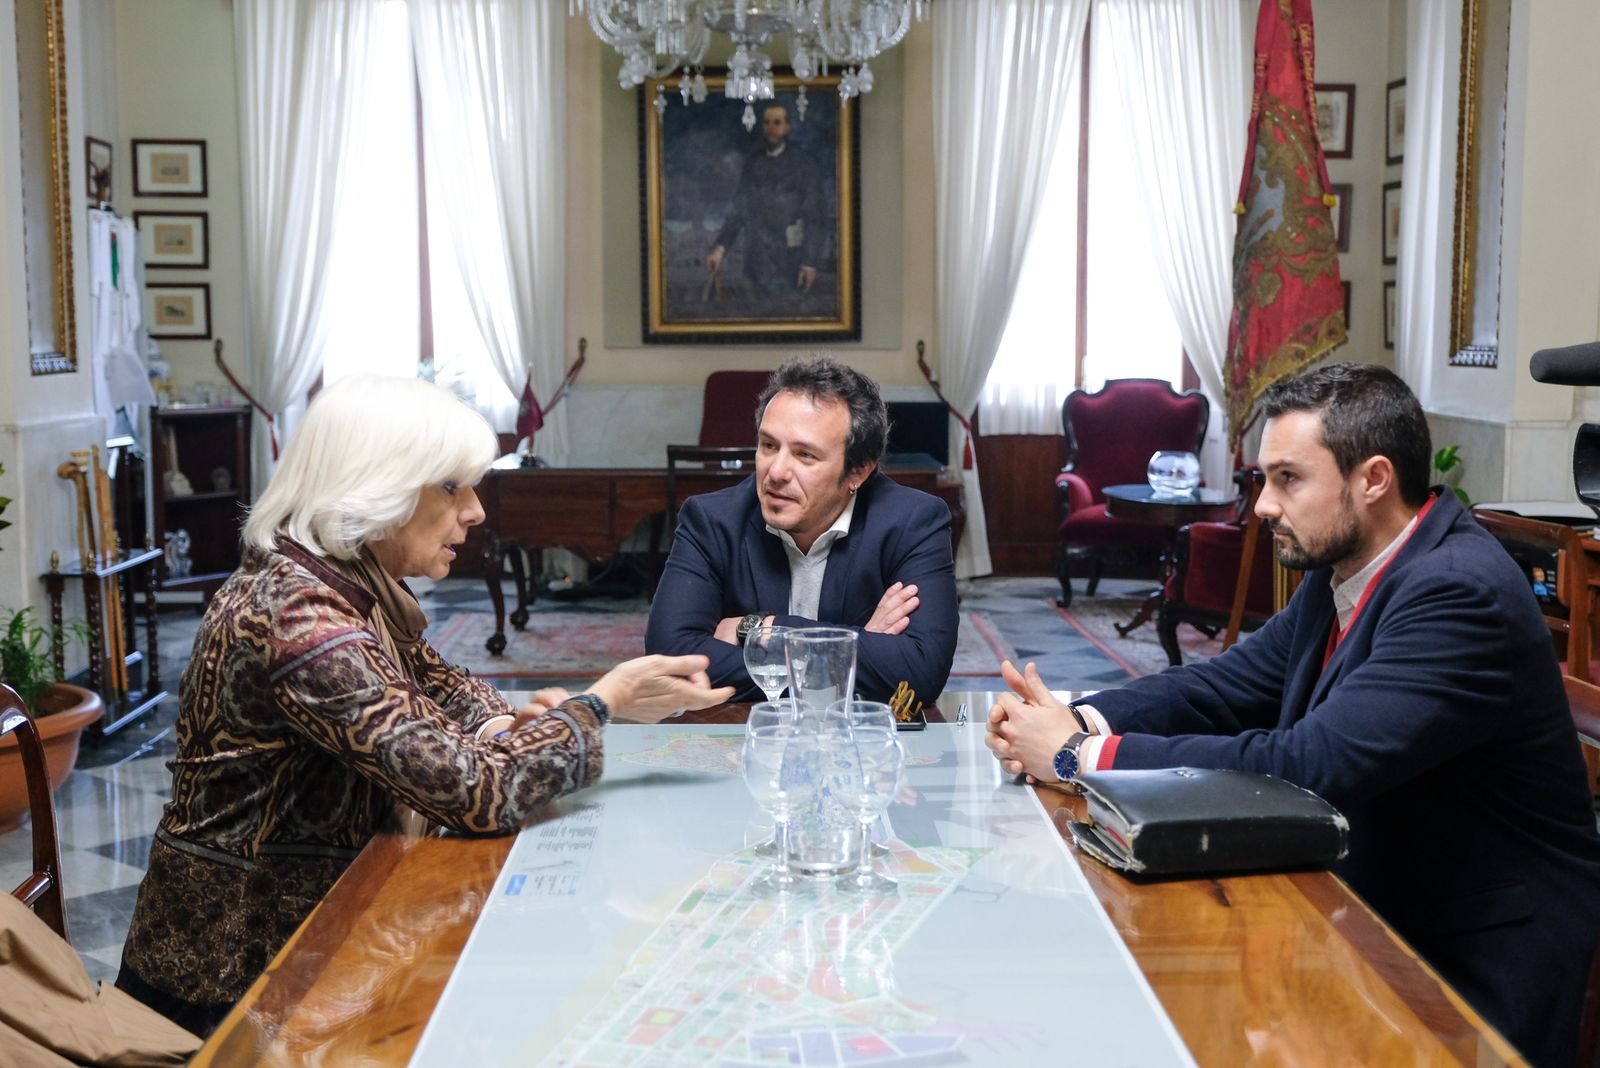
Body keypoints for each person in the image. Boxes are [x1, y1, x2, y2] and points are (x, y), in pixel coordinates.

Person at [986, 362, 1600, 1068]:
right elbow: (1226, 685)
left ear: (1372, 479)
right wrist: (1074, 714)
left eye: (1288, 479)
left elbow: (1308, 766)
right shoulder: (1349, 564)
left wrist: (1075, 757)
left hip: (1471, 951)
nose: (1263, 508)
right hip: (1368, 890)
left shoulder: (1456, 592)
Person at [116, 376, 733, 1036]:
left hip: (311, 941)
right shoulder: (303, 623)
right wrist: (599, 705)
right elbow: (480, 792)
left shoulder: (333, 579)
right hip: (237, 987)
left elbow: (442, 684)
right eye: (450, 487)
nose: (476, 511)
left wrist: (506, 721)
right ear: (375, 486)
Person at [646, 355, 958, 704]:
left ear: (858, 472)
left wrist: (762, 628)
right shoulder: (711, 520)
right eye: (768, 445)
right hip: (747, 741)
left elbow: (920, 676)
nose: (776, 471)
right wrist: (851, 648)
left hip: (862, 745)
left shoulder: (912, 522)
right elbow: (671, 661)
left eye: (805, 455)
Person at [704, 102, 824, 302]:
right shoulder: (753, 165)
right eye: (767, 123)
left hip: (791, 264)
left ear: (787, 128)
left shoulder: (805, 165)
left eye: (777, 123)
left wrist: (809, 263)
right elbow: (738, 210)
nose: (771, 128)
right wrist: (720, 248)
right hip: (756, 265)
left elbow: (815, 218)